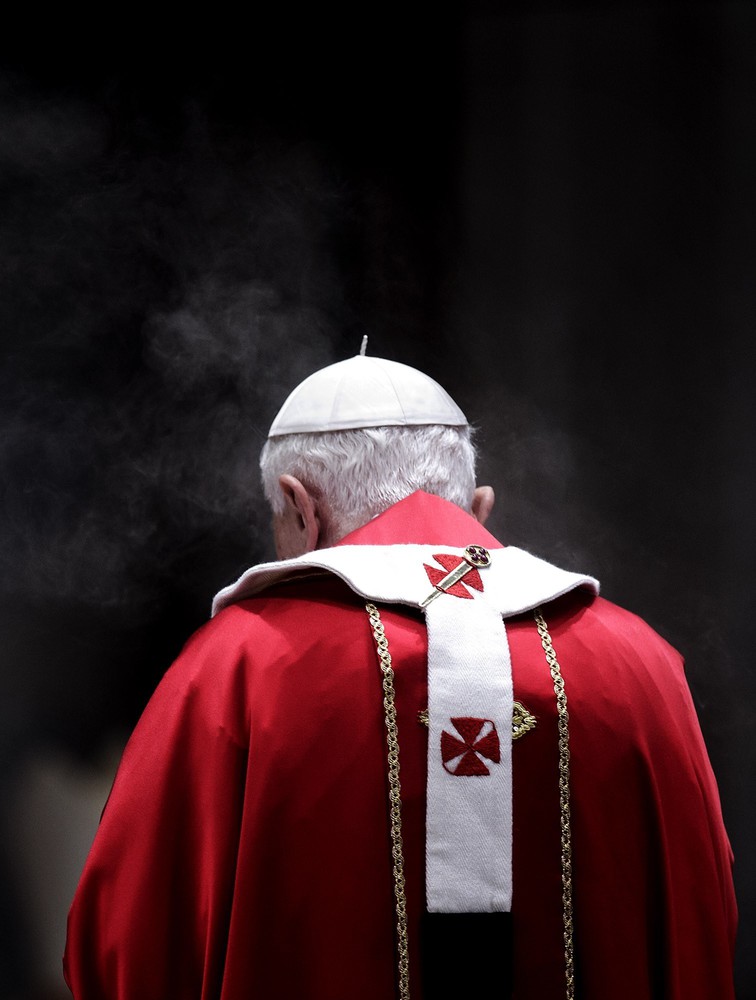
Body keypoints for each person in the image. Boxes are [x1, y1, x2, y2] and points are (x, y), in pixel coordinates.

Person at [62, 351, 736, 999]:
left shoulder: (237, 666)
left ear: (301, 507)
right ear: (479, 506)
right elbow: (703, 921)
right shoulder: (637, 661)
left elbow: (129, 942)